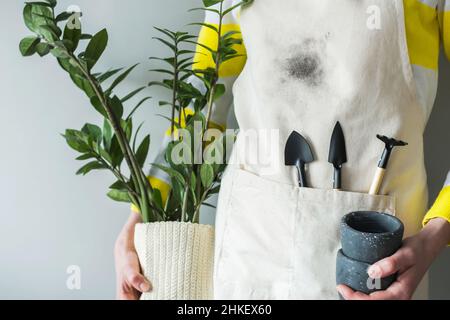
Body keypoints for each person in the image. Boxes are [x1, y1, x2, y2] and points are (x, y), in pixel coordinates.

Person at [115, 0, 450, 300]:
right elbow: (200, 111)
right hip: (253, 258)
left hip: (379, 268)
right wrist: (140, 216)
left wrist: (435, 236)